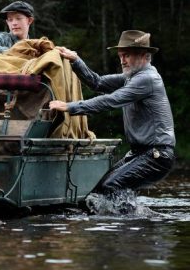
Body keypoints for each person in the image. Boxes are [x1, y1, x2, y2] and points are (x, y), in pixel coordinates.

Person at [49, 30, 175, 196]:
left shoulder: (147, 79)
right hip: (140, 153)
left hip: (157, 154)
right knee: (98, 191)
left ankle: (132, 220)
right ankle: (136, 219)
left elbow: (111, 100)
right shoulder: (131, 76)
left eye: (127, 55)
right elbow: (97, 82)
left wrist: (70, 107)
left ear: (144, 56)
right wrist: (76, 60)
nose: (122, 60)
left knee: (111, 186)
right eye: (120, 55)